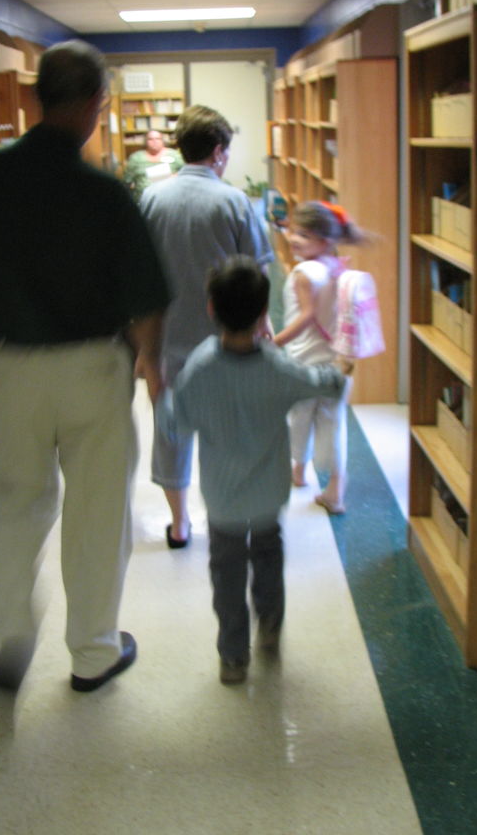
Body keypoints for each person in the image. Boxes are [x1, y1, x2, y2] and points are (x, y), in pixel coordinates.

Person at [0, 39, 170, 695]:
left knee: (16, 504)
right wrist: (152, 365)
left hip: (11, 366)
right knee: (97, 513)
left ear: (37, 98)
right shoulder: (104, 192)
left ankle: (12, 632)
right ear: (95, 104)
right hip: (93, 368)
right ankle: (93, 652)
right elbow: (148, 300)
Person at [157, 256, 346, 684]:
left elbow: (176, 426)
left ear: (210, 308)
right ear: (264, 313)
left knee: (226, 574)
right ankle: (271, 628)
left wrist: (159, 396)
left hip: (223, 500)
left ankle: (233, 657)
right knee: (268, 558)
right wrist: (340, 376)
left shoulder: (200, 370)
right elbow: (318, 383)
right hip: (268, 494)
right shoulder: (278, 367)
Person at [140, 104, 273, 549]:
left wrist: (142, 347)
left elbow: (138, 274)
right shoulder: (234, 201)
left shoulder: (152, 198)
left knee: (172, 430)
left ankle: (179, 525)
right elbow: (257, 271)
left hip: (166, 339)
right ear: (218, 151)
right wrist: (263, 321)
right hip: (226, 339)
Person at [274, 200, 368, 515]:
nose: (294, 239)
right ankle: (335, 490)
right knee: (333, 423)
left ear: (324, 240)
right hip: (337, 363)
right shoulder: (339, 266)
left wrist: (276, 341)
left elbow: (307, 316)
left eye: (304, 235)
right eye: (293, 231)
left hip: (303, 363)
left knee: (299, 418)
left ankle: (298, 472)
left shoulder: (303, 272)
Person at [123, 129, 184, 201]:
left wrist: (174, 176)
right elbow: (127, 182)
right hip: (142, 200)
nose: (154, 142)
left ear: (163, 141)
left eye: (157, 139)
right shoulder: (136, 158)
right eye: (150, 139)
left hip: (168, 200)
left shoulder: (175, 155)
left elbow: (186, 174)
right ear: (146, 142)